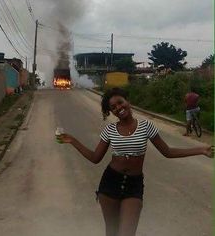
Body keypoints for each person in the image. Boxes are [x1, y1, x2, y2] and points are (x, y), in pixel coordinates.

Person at [57, 87, 211, 236]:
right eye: (113, 107)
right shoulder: (110, 130)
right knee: (111, 233)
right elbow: (95, 158)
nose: (118, 108)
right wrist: (72, 140)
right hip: (110, 183)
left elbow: (168, 152)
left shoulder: (146, 126)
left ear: (127, 101)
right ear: (111, 112)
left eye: (120, 102)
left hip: (134, 185)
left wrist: (200, 150)